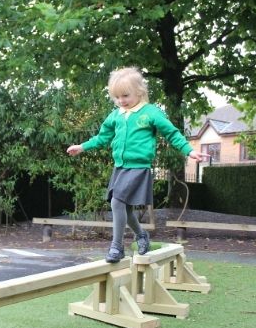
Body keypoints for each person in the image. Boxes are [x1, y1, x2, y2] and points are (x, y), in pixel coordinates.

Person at [67, 67, 206, 263]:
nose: (121, 101)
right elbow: (102, 137)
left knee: (116, 202)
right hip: (120, 168)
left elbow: (171, 133)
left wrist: (189, 150)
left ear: (139, 92)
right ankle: (141, 235)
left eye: (125, 96)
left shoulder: (150, 112)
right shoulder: (116, 115)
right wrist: (82, 147)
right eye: (117, 97)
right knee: (126, 209)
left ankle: (117, 247)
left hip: (139, 167)